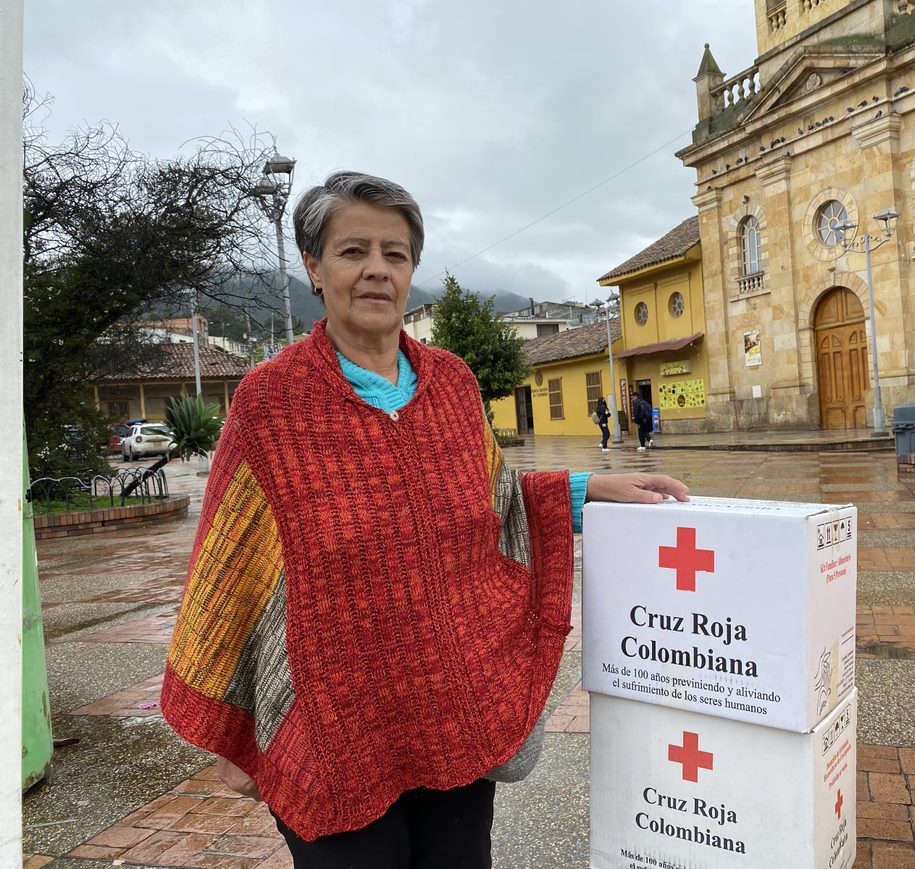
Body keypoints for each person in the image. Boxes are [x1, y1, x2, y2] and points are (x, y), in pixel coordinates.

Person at [160, 171, 689, 868]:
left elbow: (491, 500)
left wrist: (589, 490)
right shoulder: (270, 403)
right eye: (353, 251)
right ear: (314, 269)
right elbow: (231, 568)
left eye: (396, 252)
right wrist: (240, 725)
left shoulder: (452, 384)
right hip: (335, 729)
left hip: (449, 712)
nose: (377, 269)